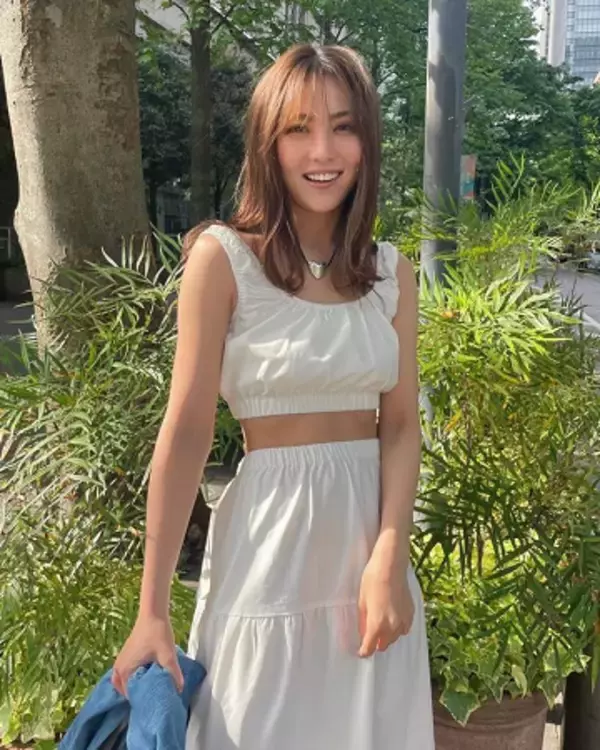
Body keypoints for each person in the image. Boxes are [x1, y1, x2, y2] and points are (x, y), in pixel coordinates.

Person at [112, 43, 435, 749]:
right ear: (268, 142)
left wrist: (390, 553)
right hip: (267, 549)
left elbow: (400, 427)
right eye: (298, 128)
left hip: (369, 560)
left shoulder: (391, 274)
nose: (323, 151)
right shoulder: (223, 259)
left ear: (367, 141)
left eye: (343, 127)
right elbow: (187, 433)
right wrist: (152, 611)